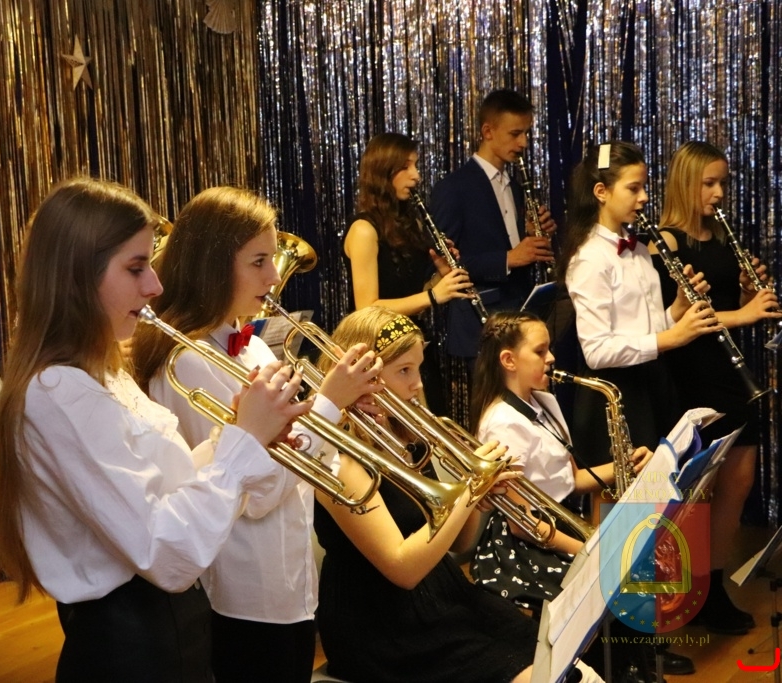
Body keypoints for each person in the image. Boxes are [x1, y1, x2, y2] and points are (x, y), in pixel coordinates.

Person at [0, 178, 310, 683]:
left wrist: (234, 437)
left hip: (170, 629)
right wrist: (243, 443)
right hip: (128, 643)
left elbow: (167, 485)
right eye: (136, 267)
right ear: (77, 275)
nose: (156, 286)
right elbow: (166, 552)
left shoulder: (103, 374)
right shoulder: (58, 391)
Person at [132, 186, 382, 683]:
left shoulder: (253, 348)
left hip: (289, 579)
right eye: (259, 262)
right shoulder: (189, 363)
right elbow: (257, 494)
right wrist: (329, 403)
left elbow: (297, 454)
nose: (273, 277)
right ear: (212, 265)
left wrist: (340, 411)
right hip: (245, 594)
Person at [311, 306, 600, 683]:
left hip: (442, 593)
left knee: (564, 661)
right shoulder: (336, 458)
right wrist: (470, 487)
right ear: (362, 376)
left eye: (418, 368)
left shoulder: (406, 437)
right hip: (380, 622)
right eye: (404, 371)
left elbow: (458, 542)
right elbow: (403, 569)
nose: (418, 384)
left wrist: (478, 499)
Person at [468, 311, 700, 680]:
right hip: (523, 547)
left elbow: (570, 479)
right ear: (508, 360)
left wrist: (628, 463)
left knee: (638, 571)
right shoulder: (502, 423)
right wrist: (592, 551)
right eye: (540, 351)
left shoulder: (539, 403)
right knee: (615, 585)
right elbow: (522, 524)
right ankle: (619, 670)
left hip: (555, 527)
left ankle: (635, 667)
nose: (551, 358)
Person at [654, 141, 781, 634]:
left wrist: (749, 292)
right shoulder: (665, 242)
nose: (719, 192)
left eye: (723, 182)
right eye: (709, 183)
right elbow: (677, 321)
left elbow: (726, 300)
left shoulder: (721, 236)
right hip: (691, 374)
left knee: (739, 480)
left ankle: (712, 583)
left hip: (730, 372)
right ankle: (683, 591)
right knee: (696, 491)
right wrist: (744, 313)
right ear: (686, 183)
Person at [558, 141, 719, 471]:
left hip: (652, 384)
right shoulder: (590, 258)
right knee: (622, 503)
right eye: (633, 188)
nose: (644, 197)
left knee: (661, 496)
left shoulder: (640, 250)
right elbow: (596, 351)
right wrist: (672, 338)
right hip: (614, 398)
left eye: (643, 187)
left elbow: (645, 328)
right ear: (601, 192)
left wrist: (677, 310)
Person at [344, 132, 475, 412]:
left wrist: (441, 277)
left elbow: (410, 292)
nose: (416, 176)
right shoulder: (364, 230)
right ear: (382, 172)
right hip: (380, 353)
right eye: (406, 167)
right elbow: (367, 307)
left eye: (415, 165)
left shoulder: (410, 225)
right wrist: (433, 296)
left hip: (412, 344)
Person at [429, 89, 556, 368]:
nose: (523, 143)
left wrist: (534, 234)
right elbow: (444, 264)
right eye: (515, 134)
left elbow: (508, 240)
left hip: (520, 316)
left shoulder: (516, 186)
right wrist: (509, 258)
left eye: (526, 133)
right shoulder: (453, 188)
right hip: (481, 324)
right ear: (487, 131)